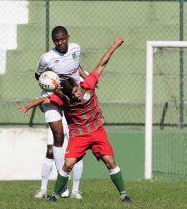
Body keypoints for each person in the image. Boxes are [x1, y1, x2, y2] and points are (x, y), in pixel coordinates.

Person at [19, 36, 131, 203]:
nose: (77, 95)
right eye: (74, 94)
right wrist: (28, 105)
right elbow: (44, 100)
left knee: (110, 161)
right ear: (68, 95)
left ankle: (123, 194)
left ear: (79, 85)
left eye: (77, 91)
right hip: (78, 135)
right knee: (68, 164)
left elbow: (101, 64)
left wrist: (114, 46)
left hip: (97, 131)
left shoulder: (89, 84)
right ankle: (55, 196)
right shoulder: (64, 99)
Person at [34, 26, 86, 199]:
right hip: (53, 98)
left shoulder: (76, 48)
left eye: (62, 39)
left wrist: (85, 76)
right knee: (57, 137)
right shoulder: (47, 58)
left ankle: (76, 190)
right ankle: (61, 185)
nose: (60, 42)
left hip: (72, 98)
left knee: (76, 142)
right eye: (56, 40)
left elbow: (76, 64)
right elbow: (39, 75)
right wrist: (52, 86)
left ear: (68, 37)